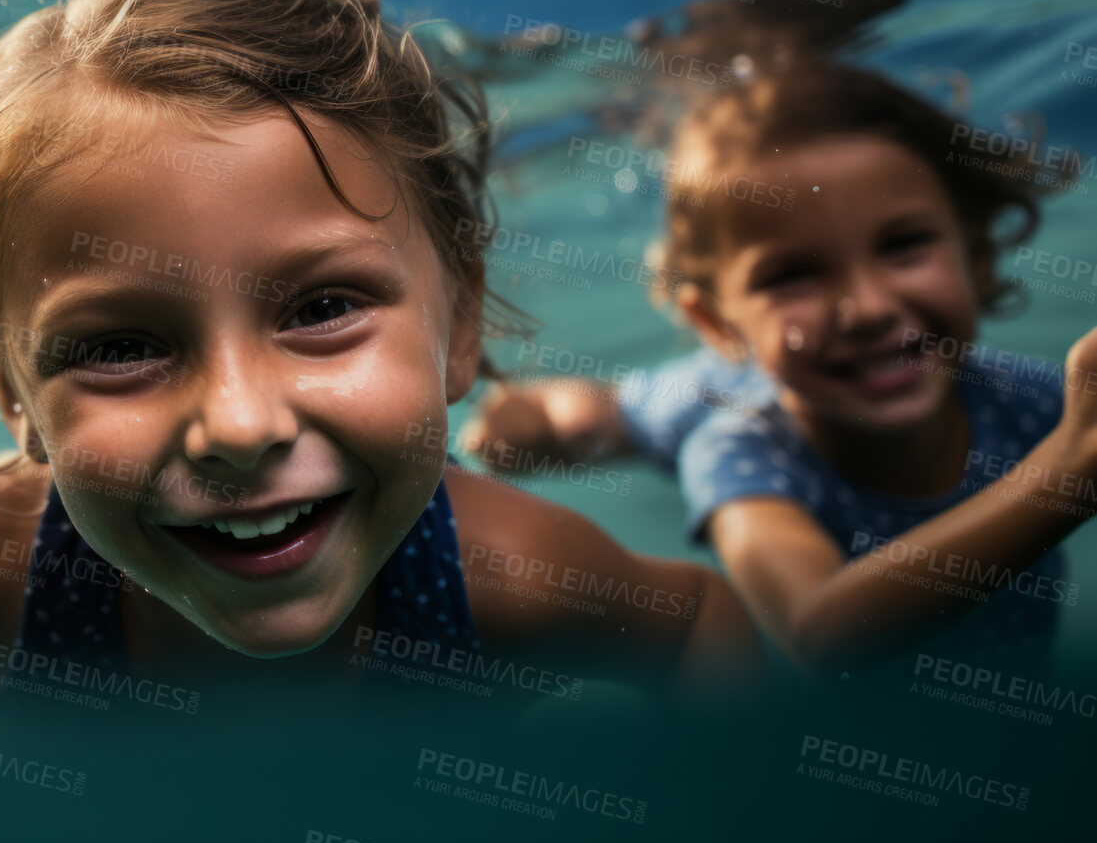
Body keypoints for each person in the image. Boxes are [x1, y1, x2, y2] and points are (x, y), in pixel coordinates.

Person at [0, 0, 764, 745]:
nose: (240, 425)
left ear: (460, 328)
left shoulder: (504, 583)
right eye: (119, 346)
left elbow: (693, 622)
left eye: (318, 311)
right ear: (15, 398)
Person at [466, 61, 1096, 675]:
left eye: (903, 245)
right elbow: (819, 631)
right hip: (725, 400)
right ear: (715, 323)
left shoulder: (1032, 401)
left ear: (977, 257)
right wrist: (1065, 476)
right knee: (595, 418)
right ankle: (552, 409)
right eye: (793, 274)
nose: (868, 308)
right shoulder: (737, 454)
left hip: (771, 372)